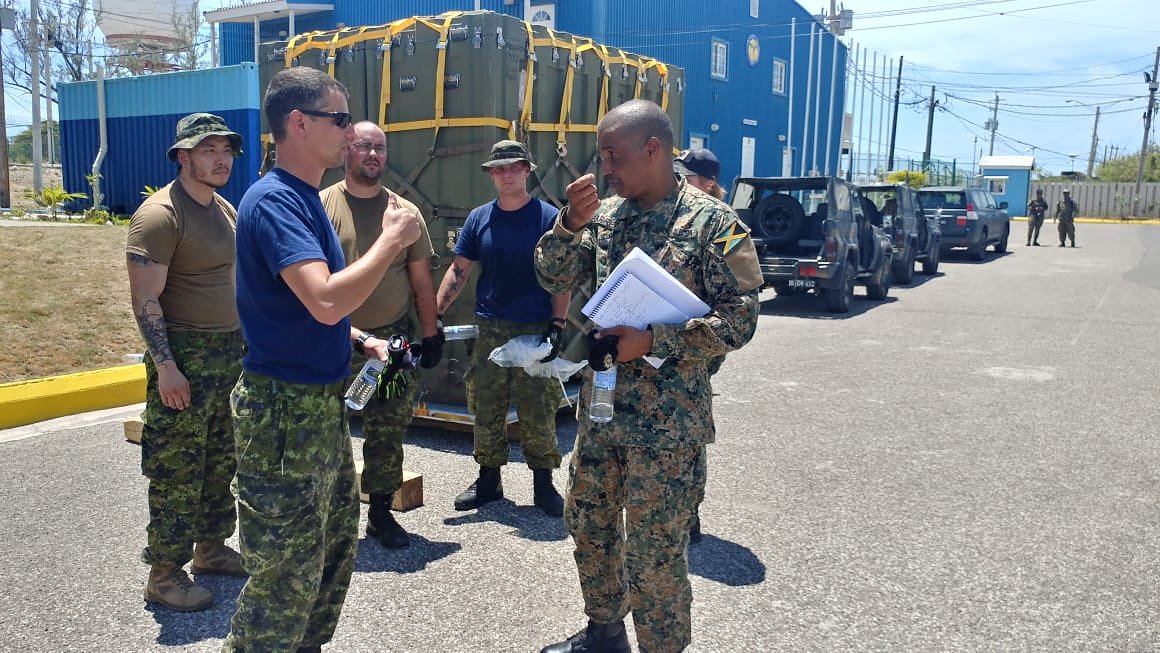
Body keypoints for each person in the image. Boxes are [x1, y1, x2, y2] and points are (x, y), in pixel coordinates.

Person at [535, 99, 763, 653]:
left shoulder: (713, 224)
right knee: (588, 527)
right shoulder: (606, 218)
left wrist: (656, 340)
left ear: (653, 150)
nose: (605, 169)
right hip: (603, 410)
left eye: (613, 156)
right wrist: (568, 223)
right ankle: (605, 632)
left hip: (668, 427)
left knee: (655, 553)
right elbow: (551, 273)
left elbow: (741, 318)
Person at [224, 66, 421, 652]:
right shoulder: (276, 201)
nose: (348, 131)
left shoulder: (305, 198)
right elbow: (326, 297)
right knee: (283, 574)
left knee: (332, 554)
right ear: (299, 123)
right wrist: (391, 240)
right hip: (282, 411)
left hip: (317, 404)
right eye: (339, 119)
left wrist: (361, 341)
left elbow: (315, 308)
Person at [127, 112, 247, 612]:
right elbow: (145, 301)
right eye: (207, 151)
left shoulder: (225, 209)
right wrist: (167, 367)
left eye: (225, 151)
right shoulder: (160, 215)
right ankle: (164, 573)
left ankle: (211, 549)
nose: (220, 160)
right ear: (183, 156)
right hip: (185, 356)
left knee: (221, 461)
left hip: (228, 354)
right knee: (178, 470)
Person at [321, 121, 442, 549]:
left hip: (389, 343)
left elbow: (421, 281)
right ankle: (330, 517)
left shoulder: (404, 214)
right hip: (334, 337)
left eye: (380, 148)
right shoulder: (321, 207)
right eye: (363, 146)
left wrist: (430, 335)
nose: (373, 155)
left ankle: (380, 514)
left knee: (387, 428)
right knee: (326, 429)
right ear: (346, 152)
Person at [435, 139, 571, 518]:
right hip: (490, 328)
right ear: (491, 175)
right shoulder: (480, 218)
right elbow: (459, 270)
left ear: (528, 170)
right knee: (486, 406)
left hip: (534, 328)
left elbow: (562, 278)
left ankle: (543, 485)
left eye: (514, 167)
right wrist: (436, 314)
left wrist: (558, 326)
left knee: (538, 409)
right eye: (498, 169)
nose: (506, 174)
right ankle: (489, 481)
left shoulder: (548, 218)